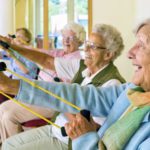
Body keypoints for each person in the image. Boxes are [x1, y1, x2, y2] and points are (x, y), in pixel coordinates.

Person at [0, 19, 150, 150]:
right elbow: (76, 93)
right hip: (58, 128)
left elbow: (90, 127)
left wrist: (66, 111)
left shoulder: (113, 81)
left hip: (69, 141)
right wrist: (10, 83)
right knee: (8, 145)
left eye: (142, 45)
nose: (130, 53)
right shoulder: (131, 90)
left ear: (108, 54)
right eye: (87, 44)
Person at [0, 23, 86, 142]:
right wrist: (11, 45)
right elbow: (38, 52)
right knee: (2, 108)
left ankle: (14, 146)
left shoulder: (77, 60)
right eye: (64, 37)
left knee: (9, 116)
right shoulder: (58, 52)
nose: (66, 41)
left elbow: (67, 87)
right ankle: (7, 145)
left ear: (80, 41)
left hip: (51, 99)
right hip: (36, 91)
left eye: (70, 38)